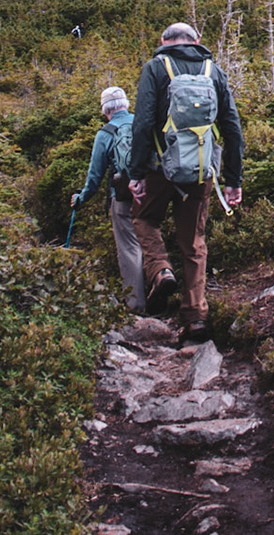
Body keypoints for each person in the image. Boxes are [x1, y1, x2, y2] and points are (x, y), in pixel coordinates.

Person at [127, 21, 244, 342]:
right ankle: (196, 318)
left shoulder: (155, 68)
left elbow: (142, 123)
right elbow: (232, 128)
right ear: (197, 40)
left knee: (143, 218)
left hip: (159, 169)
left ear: (163, 40)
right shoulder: (213, 71)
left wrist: (136, 173)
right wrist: (233, 180)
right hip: (201, 172)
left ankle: (161, 269)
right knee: (194, 243)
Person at [72, 85, 146, 313]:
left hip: (123, 197)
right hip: (152, 192)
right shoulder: (143, 122)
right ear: (126, 104)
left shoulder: (105, 134)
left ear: (105, 110)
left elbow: (94, 177)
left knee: (130, 248)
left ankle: (136, 305)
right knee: (152, 241)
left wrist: (81, 199)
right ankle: (162, 282)